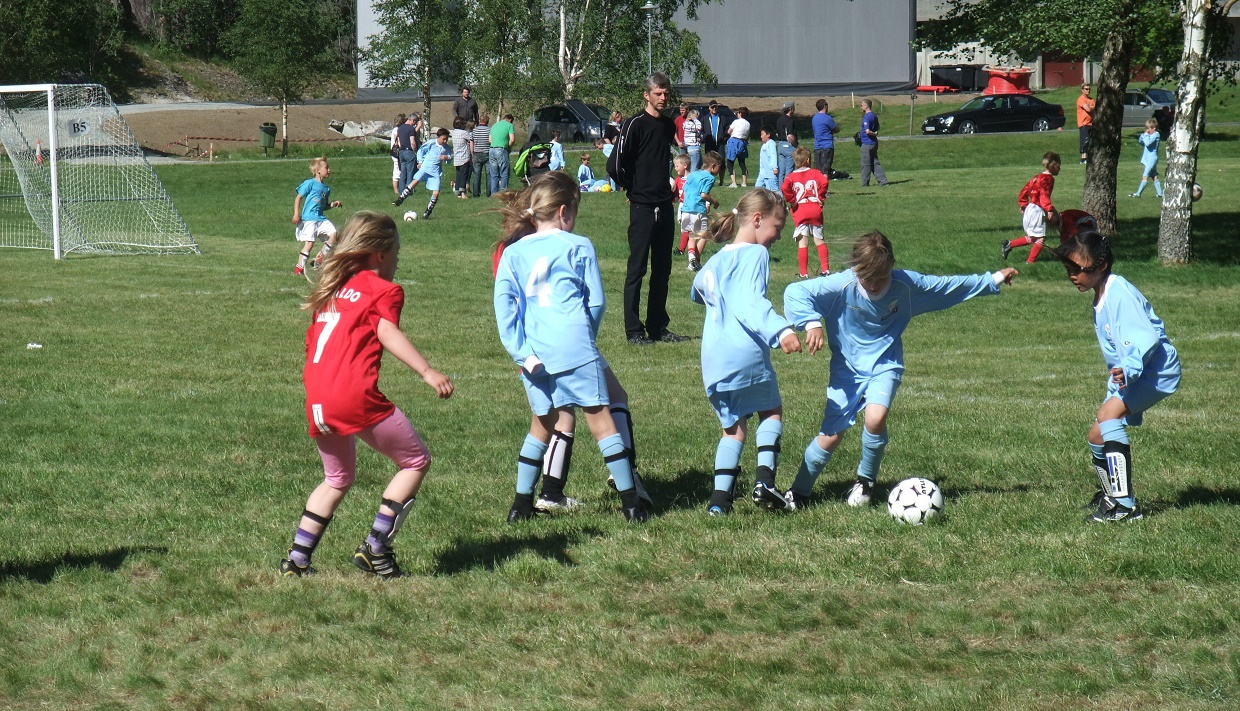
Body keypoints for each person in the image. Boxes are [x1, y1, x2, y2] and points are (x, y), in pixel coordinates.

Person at [781, 232, 1019, 509]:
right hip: (846, 369)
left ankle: (866, 482)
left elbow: (946, 287)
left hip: (885, 363)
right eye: (867, 278)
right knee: (831, 435)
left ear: (892, 266)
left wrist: (992, 280)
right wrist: (812, 323)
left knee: (875, 417)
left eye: (881, 278)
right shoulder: (841, 285)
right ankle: (798, 492)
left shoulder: (905, 285)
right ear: (856, 269)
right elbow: (795, 292)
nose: (874, 285)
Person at [279, 211, 455, 579]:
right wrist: (427, 371)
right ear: (379, 255)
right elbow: (387, 331)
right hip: (352, 395)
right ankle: (375, 548)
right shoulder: (383, 290)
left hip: (317, 400)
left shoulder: (333, 290)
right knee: (415, 461)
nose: (397, 261)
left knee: (337, 479)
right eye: (396, 254)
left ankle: (296, 561)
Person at [493, 171, 651, 523]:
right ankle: (631, 504)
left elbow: (505, 311)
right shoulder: (579, 245)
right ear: (564, 212)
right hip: (574, 345)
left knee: (541, 424)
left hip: (533, 350)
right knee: (601, 421)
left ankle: (520, 506)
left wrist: (523, 353)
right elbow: (595, 303)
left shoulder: (513, 253)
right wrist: (586, 340)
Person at [1051, 230, 1179, 522]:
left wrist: (1129, 368)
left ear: (1101, 264)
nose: (1072, 275)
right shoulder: (1101, 292)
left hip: (1156, 370)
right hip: (1131, 374)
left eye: (1078, 269)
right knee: (1096, 435)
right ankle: (1111, 493)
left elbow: (1145, 337)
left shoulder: (1118, 291)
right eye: (1068, 269)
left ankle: (1125, 506)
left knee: (1108, 416)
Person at [691, 189, 802, 516]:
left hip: (714, 360)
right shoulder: (755, 255)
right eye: (776, 228)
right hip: (744, 353)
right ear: (756, 220)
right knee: (771, 411)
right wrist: (780, 330)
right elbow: (749, 302)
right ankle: (765, 481)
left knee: (733, 428)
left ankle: (718, 503)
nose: (778, 237)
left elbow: (697, 289)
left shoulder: (716, 260)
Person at [607, 72, 688, 346]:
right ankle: (634, 330)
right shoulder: (634, 124)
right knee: (637, 269)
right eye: (658, 93)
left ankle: (657, 327)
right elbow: (615, 166)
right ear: (647, 95)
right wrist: (633, 189)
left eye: (666, 93)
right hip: (642, 206)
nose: (663, 98)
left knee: (662, 269)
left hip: (664, 205)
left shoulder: (667, 126)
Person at [1002, 151, 1061, 264]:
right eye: (1059, 166)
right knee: (1040, 238)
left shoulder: (1036, 177)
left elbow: (1024, 190)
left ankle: (1010, 244)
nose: (1060, 169)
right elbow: (1044, 194)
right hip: (1038, 210)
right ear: (1053, 166)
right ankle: (1030, 263)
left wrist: (1023, 204)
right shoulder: (1048, 179)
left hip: (1030, 208)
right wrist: (1048, 208)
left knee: (1034, 237)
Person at [780, 147, 830, 278]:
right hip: (814, 208)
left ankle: (804, 273)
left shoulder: (791, 177)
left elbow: (784, 187)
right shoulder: (815, 172)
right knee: (819, 240)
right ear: (808, 160)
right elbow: (824, 181)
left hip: (800, 210)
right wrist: (820, 197)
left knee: (803, 243)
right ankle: (826, 270)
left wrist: (792, 200)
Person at [292, 157, 342, 276]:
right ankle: (298, 270)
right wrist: (296, 214)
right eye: (326, 168)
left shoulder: (326, 188)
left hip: (321, 218)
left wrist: (333, 204)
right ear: (318, 170)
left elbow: (323, 206)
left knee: (334, 234)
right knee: (309, 244)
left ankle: (320, 258)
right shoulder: (310, 183)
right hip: (309, 219)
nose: (329, 170)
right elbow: (298, 198)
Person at [393, 128, 451, 220]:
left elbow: (450, 156)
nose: (445, 141)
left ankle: (428, 212)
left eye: (446, 139)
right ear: (438, 137)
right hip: (425, 168)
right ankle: (401, 199)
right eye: (443, 139)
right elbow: (421, 150)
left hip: (435, 172)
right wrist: (420, 161)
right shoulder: (431, 143)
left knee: (436, 192)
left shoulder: (446, 147)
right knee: (414, 182)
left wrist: (446, 157)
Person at [679, 151, 722, 271]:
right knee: (705, 235)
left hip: (686, 210)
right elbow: (703, 194)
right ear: (713, 165)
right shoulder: (709, 178)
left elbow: (685, 190)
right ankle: (696, 261)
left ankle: (691, 259)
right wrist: (713, 202)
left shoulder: (693, 174)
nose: (719, 171)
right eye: (719, 167)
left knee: (692, 235)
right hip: (698, 209)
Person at [1128, 118, 1163, 198]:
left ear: (1154, 128)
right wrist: (1142, 136)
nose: (1147, 130)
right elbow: (1142, 143)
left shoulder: (1156, 134)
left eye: (1148, 128)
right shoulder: (1149, 135)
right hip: (1147, 158)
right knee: (1154, 176)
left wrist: (1146, 135)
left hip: (1152, 158)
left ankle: (1138, 193)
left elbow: (1148, 143)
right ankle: (1160, 194)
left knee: (1145, 176)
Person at [858, 99, 889, 187]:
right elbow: (877, 127)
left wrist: (874, 133)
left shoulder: (867, 117)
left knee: (865, 164)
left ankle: (865, 183)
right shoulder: (874, 115)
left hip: (867, 143)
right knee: (875, 162)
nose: (861, 107)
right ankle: (883, 181)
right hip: (874, 143)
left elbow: (867, 131)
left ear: (866, 106)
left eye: (862, 105)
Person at [811, 99, 839, 178]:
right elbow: (835, 129)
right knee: (825, 170)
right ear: (824, 106)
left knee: (818, 170)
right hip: (827, 146)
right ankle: (824, 188)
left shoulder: (814, 118)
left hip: (817, 146)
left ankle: (818, 188)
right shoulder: (827, 118)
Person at [395, 114, 420, 202]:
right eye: (415, 122)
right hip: (409, 151)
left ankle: (402, 192)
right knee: (410, 173)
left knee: (403, 174)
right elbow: (412, 142)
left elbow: (399, 141)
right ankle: (408, 192)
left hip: (401, 152)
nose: (414, 124)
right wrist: (415, 151)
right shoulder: (411, 129)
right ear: (413, 120)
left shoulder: (400, 128)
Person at [489, 113, 516, 194]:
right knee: (504, 172)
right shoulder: (509, 125)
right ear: (510, 120)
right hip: (501, 150)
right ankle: (504, 192)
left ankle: (494, 193)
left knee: (494, 174)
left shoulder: (494, 125)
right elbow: (512, 139)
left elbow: (490, 140)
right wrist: (508, 148)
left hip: (492, 149)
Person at [725, 106, 751, 188]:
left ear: (740, 113)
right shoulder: (748, 124)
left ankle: (734, 183)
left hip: (734, 141)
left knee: (730, 163)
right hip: (743, 142)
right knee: (742, 163)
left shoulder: (736, 122)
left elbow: (729, 131)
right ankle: (744, 182)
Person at [775, 102, 797, 187]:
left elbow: (777, 134)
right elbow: (790, 136)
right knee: (789, 170)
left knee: (782, 171)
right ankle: (788, 189)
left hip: (781, 145)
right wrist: (795, 145)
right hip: (788, 145)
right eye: (793, 108)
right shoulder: (790, 121)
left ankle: (781, 190)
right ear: (790, 109)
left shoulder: (779, 120)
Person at [451, 117, 473, 199]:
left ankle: (457, 190)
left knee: (459, 174)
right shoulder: (464, 133)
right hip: (464, 156)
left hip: (457, 156)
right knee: (464, 174)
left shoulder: (454, 132)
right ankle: (463, 192)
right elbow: (471, 139)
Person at [471, 115, 491, 198]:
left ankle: (476, 193)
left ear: (479, 121)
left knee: (477, 175)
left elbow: (472, 142)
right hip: (487, 153)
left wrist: (472, 153)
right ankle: (489, 193)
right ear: (487, 122)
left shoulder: (474, 130)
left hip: (477, 153)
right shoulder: (490, 130)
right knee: (489, 174)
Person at [755, 126, 779, 192]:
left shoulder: (771, 143)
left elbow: (773, 156)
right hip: (762, 173)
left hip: (770, 174)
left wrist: (775, 168)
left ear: (768, 135)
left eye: (762, 134)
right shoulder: (764, 145)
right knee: (757, 190)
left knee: (773, 192)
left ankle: (780, 201)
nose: (761, 136)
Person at [1076, 83, 1095, 164]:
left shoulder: (1092, 100)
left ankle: (1090, 158)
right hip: (1083, 123)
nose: (1088, 91)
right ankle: (1083, 159)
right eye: (1086, 89)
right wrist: (1091, 107)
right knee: (1085, 141)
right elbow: (1088, 109)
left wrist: (1090, 107)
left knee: (1091, 141)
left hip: (1091, 123)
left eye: (1089, 89)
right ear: (1082, 90)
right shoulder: (1081, 99)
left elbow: (1095, 108)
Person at [389, 113, 406, 196]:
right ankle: (396, 190)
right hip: (396, 153)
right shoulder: (396, 130)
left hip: (397, 152)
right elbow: (397, 139)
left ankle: (401, 188)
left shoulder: (397, 129)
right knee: (397, 172)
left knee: (400, 170)